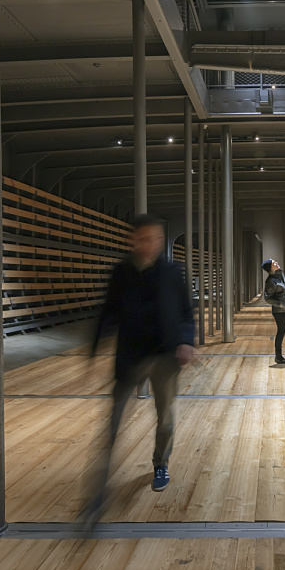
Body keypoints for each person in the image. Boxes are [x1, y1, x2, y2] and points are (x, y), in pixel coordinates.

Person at [82, 214, 195, 524]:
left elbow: (186, 312)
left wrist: (186, 341)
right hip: (130, 356)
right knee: (114, 421)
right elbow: (108, 312)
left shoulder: (172, 272)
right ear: (134, 240)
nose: (150, 244)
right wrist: (93, 352)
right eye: (144, 238)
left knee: (165, 418)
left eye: (155, 239)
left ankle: (161, 463)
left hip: (164, 357)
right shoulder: (121, 272)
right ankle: (99, 489)